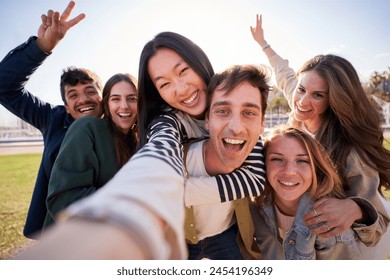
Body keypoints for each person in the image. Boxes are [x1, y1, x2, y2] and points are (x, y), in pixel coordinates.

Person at [15, 30, 266, 260]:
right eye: (164, 83)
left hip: (227, 232)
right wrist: (138, 201)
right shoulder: (167, 122)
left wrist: (180, 191)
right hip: (185, 237)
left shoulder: (235, 100)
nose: (180, 89)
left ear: (199, 63)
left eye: (183, 71)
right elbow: (159, 154)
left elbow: (255, 178)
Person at [250, 14, 390, 259]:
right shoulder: (299, 101)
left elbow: (378, 222)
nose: (302, 102)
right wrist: (264, 44)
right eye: (302, 89)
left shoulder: (348, 150)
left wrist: (355, 208)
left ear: (333, 100)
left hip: (353, 248)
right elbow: (284, 73)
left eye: (317, 95)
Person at [0, 1, 103, 238]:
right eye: (73, 95)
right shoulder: (53, 119)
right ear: (66, 106)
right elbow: (4, 87)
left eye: (90, 91)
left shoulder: (122, 122)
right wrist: (42, 47)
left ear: (103, 95)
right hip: (59, 234)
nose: (83, 99)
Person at [250, 125, 380, 259]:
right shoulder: (255, 207)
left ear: (315, 170)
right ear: (263, 164)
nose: (289, 171)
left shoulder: (328, 223)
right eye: (277, 159)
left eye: (302, 160)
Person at [184, 64, 270, 260]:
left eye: (249, 113)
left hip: (225, 234)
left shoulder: (261, 156)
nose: (236, 128)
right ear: (207, 119)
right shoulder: (178, 159)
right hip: (184, 240)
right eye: (222, 111)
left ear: (262, 123)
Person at [43, 73, 138, 228]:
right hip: (78, 241)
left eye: (132, 98)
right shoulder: (87, 127)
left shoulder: (142, 140)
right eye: (115, 99)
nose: (124, 106)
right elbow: (65, 199)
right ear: (106, 104)